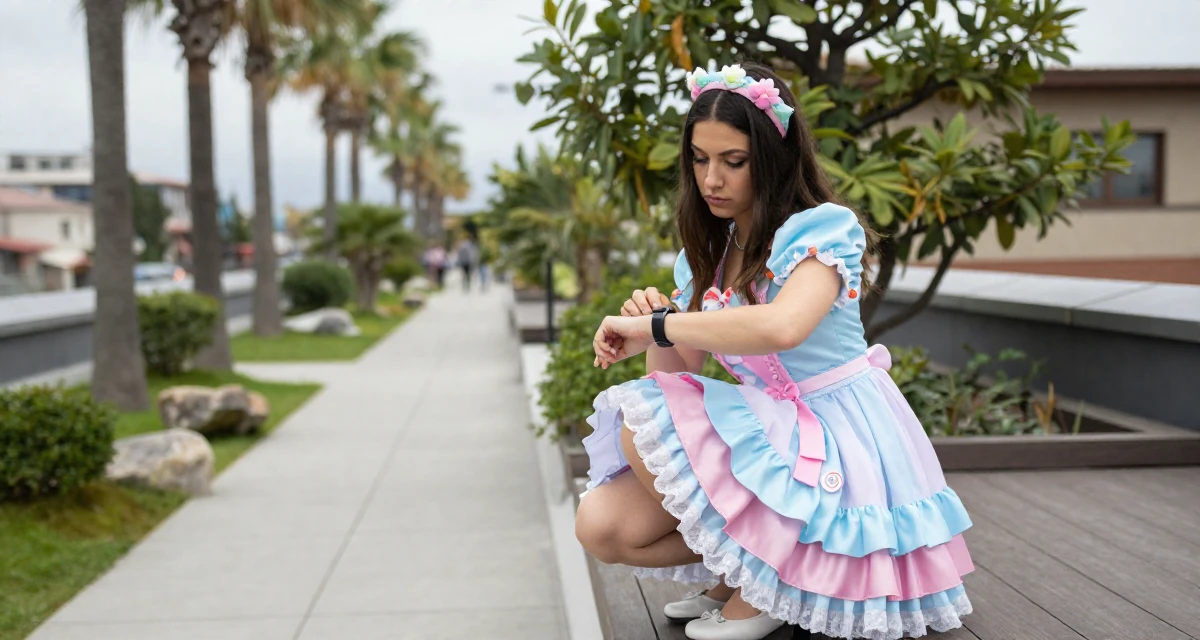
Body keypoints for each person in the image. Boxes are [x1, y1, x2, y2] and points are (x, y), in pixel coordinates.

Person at [575, 63, 974, 640]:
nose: (712, 178)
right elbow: (676, 380)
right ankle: (742, 570)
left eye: (732, 161)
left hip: (839, 431)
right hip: (776, 434)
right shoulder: (707, 251)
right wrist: (657, 325)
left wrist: (664, 327)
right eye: (699, 159)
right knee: (603, 525)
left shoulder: (823, 229)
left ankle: (765, 587)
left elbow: (785, 326)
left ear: (772, 156)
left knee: (644, 425)